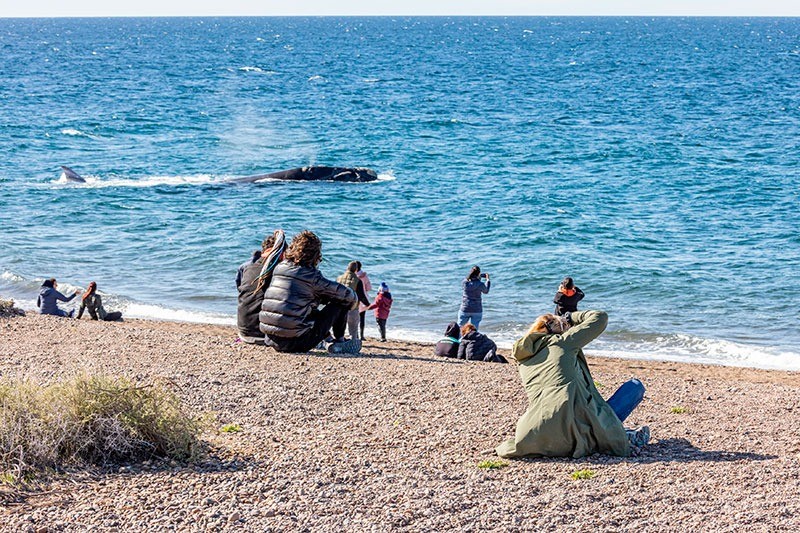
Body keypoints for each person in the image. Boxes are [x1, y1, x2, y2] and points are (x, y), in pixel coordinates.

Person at [496, 310, 650, 459]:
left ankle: (619, 431)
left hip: (534, 433)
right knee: (635, 386)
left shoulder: (524, 359)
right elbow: (600, 317)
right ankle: (621, 434)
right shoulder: (563, 342)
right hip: (573, 428)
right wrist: (571, 317)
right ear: (561, 330)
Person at [259, 230, 359, 354]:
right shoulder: (312, 276)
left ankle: (328, 340)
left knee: (302, 305)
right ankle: (339, 342)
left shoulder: (279, 268)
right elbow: (348, 296)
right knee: (340, 302)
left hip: (271, 338)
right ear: (316, 255)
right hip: (296, 342)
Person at [237, 230, 286, 344]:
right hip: (265, 334)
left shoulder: (245, 267)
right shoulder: (280, 271)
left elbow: (240, 290)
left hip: (244, 330)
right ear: (282, 254)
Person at [336, 261, 371, 341]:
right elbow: (361, 296)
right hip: (352, 308)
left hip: (339, 308)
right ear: (356, 270)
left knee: (339, 329)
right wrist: (367, 304)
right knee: (353, 330)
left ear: (347, 268)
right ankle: (353, 343)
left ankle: (340, 342)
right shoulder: (357, 281)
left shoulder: (339, 278)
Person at [355, 261, 372, 341]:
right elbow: (368, 288)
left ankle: (356, 335)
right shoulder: (364, 276)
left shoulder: (352, 276)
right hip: (363, 299)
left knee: (354, 317)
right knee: (362, 318)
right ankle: (362, 335)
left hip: (354, 298)